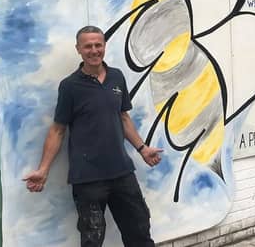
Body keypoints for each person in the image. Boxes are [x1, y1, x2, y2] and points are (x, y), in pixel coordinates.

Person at [23, 25, 163, 247]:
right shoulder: (70, 86)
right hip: (88, 179)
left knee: (140, 234)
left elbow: (123, 118)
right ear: (78, 49)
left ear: (104, 46)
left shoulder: (117, 77)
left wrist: (143, 149)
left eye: (98, 45)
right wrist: (43, 169)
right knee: (92, 240)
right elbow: (58, 129)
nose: (94, 50)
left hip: (122, 174)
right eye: (88, 46)